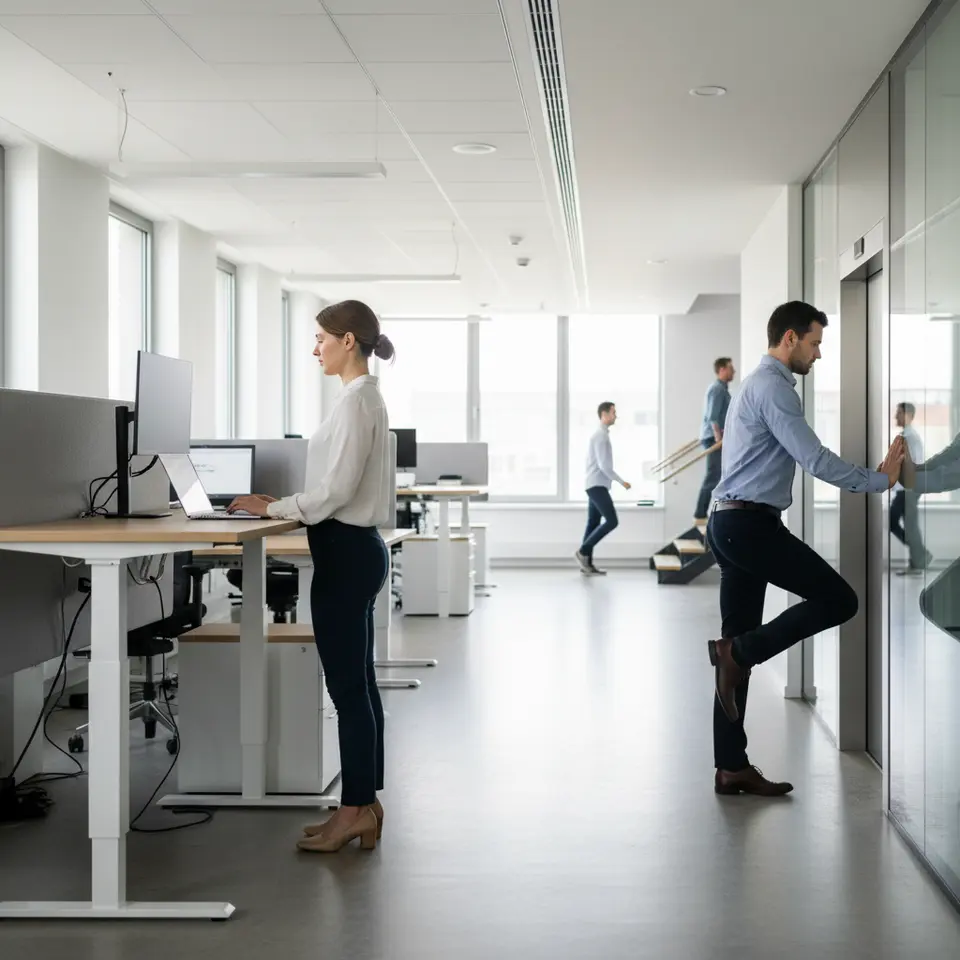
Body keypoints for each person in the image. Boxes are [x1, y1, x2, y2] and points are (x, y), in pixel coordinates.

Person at [706, 301, 904, 797]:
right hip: (748, 526)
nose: (818, 354)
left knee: (735, 650)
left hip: (730, 523)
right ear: (790, 338)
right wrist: (880, 479)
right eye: (815, 342)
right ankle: (739, 653)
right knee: (840, 600)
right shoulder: (773, 388)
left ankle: (731, 766)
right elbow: (813, 458)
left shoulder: (754, 384)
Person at [228, 300, 394, 853]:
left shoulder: (356, 402)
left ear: (349, 340)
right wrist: (285, 505)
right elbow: (338, 487)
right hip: (353, 549)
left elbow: (336, 490)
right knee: (360, 685)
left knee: (348, 689)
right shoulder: (363, 398)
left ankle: (352, 812)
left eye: (321, 337)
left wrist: (274, 508)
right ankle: (362, 804)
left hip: (346, 551)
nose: (314, 347)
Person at [575, 401, 631, 575]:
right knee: (612, 521)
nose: (616, 416)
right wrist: (622, 482)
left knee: (593, 523)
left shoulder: (601, 435)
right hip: (596, 485)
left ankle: (587, 565)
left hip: (596, 485)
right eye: (613, 412)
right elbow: (604, 466)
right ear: (604, 415)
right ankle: (583, 551)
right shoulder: (600, 436)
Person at [890, 402, 931, 575]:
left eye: (899, 413)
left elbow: (910, 464)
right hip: (907, 488)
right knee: (908, 524)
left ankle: (919, 557)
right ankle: (919, 557)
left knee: (897, 523)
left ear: (908, 415)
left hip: (908, 489)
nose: (895, 417)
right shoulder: (907, 436)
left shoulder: (909, 437)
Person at [694, 357, 736, 521]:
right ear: (722, 370)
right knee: (713, 475)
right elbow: (712, 416)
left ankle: (706, 512)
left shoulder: (723, 389)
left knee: (717, 475)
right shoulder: (717, 389)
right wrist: (719, 438)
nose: (733, 371)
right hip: (713, 437)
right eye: (730, 368)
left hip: (716, 436)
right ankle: (700, 514)